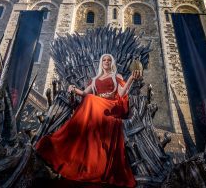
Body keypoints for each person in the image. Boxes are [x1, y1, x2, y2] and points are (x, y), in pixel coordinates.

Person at [35, 54, 141, 187]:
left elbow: (121, 94)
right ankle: (71, 132)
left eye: (109, 60)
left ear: (112, 63)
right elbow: (85, 93)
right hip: (97, 106)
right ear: (101, 63)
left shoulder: (117, 77)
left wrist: (130, 78)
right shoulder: (95, 79)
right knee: (89, 98)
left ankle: (78, 123)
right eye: (104, 60)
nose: (106, 62)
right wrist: (73, 89)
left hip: (111, 106)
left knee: (91, 99)